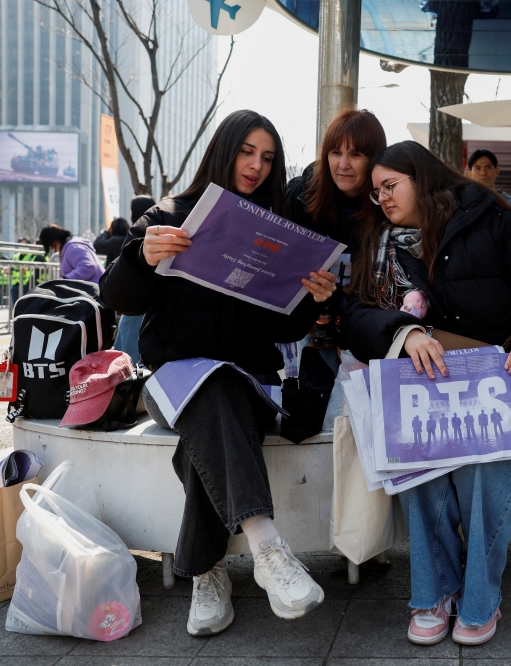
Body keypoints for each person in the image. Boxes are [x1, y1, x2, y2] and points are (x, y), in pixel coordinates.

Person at [99, 110, 339, 637]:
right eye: (246, 152)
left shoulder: (277, 229)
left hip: (250, 384)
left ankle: (207, 573)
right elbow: (115, 298)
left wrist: (315, 299)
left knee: (214, 413)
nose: (256, 166)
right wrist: (142, 257)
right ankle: (268, 548)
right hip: (172, 384)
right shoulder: (170, 215)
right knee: (212, 388)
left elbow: (288, 324)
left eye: (268, 158)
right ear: (223, 149)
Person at [341, 140, 511, 646]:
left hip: (500, 372)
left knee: (487, 475)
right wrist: (405, 332)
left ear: (422, 180)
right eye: (376, 189)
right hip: (424, 377)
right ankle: (433, 592)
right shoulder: (376, 240)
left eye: (391, 186)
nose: (381, 198)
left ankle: (479, 597)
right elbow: (355, 314)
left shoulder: (498, 220)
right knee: (421, 473)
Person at [286, 109, 389, 374]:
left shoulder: (387, 207)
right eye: (335, 152)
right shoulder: (300, 197)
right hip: (305, 327)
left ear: (375, 158)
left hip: (362, 329)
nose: (343, 164)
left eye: (355, 154)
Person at [113, 195, 158, 365]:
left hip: (137, 293)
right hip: (150, 294)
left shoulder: (140, 229)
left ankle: (125, 374)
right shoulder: (160, 226)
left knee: (128, 336)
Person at [38, 224, 104, 282]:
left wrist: (66, 279)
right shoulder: (66, 249)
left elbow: (88, 266)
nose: (51, 248)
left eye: (50, 245)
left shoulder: (74, 247)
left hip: (95, 290)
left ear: (53, 240)